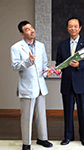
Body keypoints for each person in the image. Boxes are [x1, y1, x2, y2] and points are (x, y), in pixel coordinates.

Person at [10, 21, 53, 150]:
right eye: (27, 29)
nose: (32, 31)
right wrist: (28, 61)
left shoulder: (41, 46)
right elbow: (15, 65)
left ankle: (42, 139)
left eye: (32, 28)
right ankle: (26, 143)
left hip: (40, 86)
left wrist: (48, 72)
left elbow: (44, 65)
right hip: (27, 86)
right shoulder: (16, 47)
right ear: (22, 34)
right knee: (27, 117)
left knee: (41, 115)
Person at [56, 17, 84, 146]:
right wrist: (57, 69)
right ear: (67, 28)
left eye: (75, 26)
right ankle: (68, 137)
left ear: (80, 28)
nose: (73, 28)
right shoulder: (61, 45)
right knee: (67, 111)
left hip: (82, 83)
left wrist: (79, 64)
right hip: (67, 83)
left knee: (83, 111)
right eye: (70, 26)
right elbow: (58, 63)